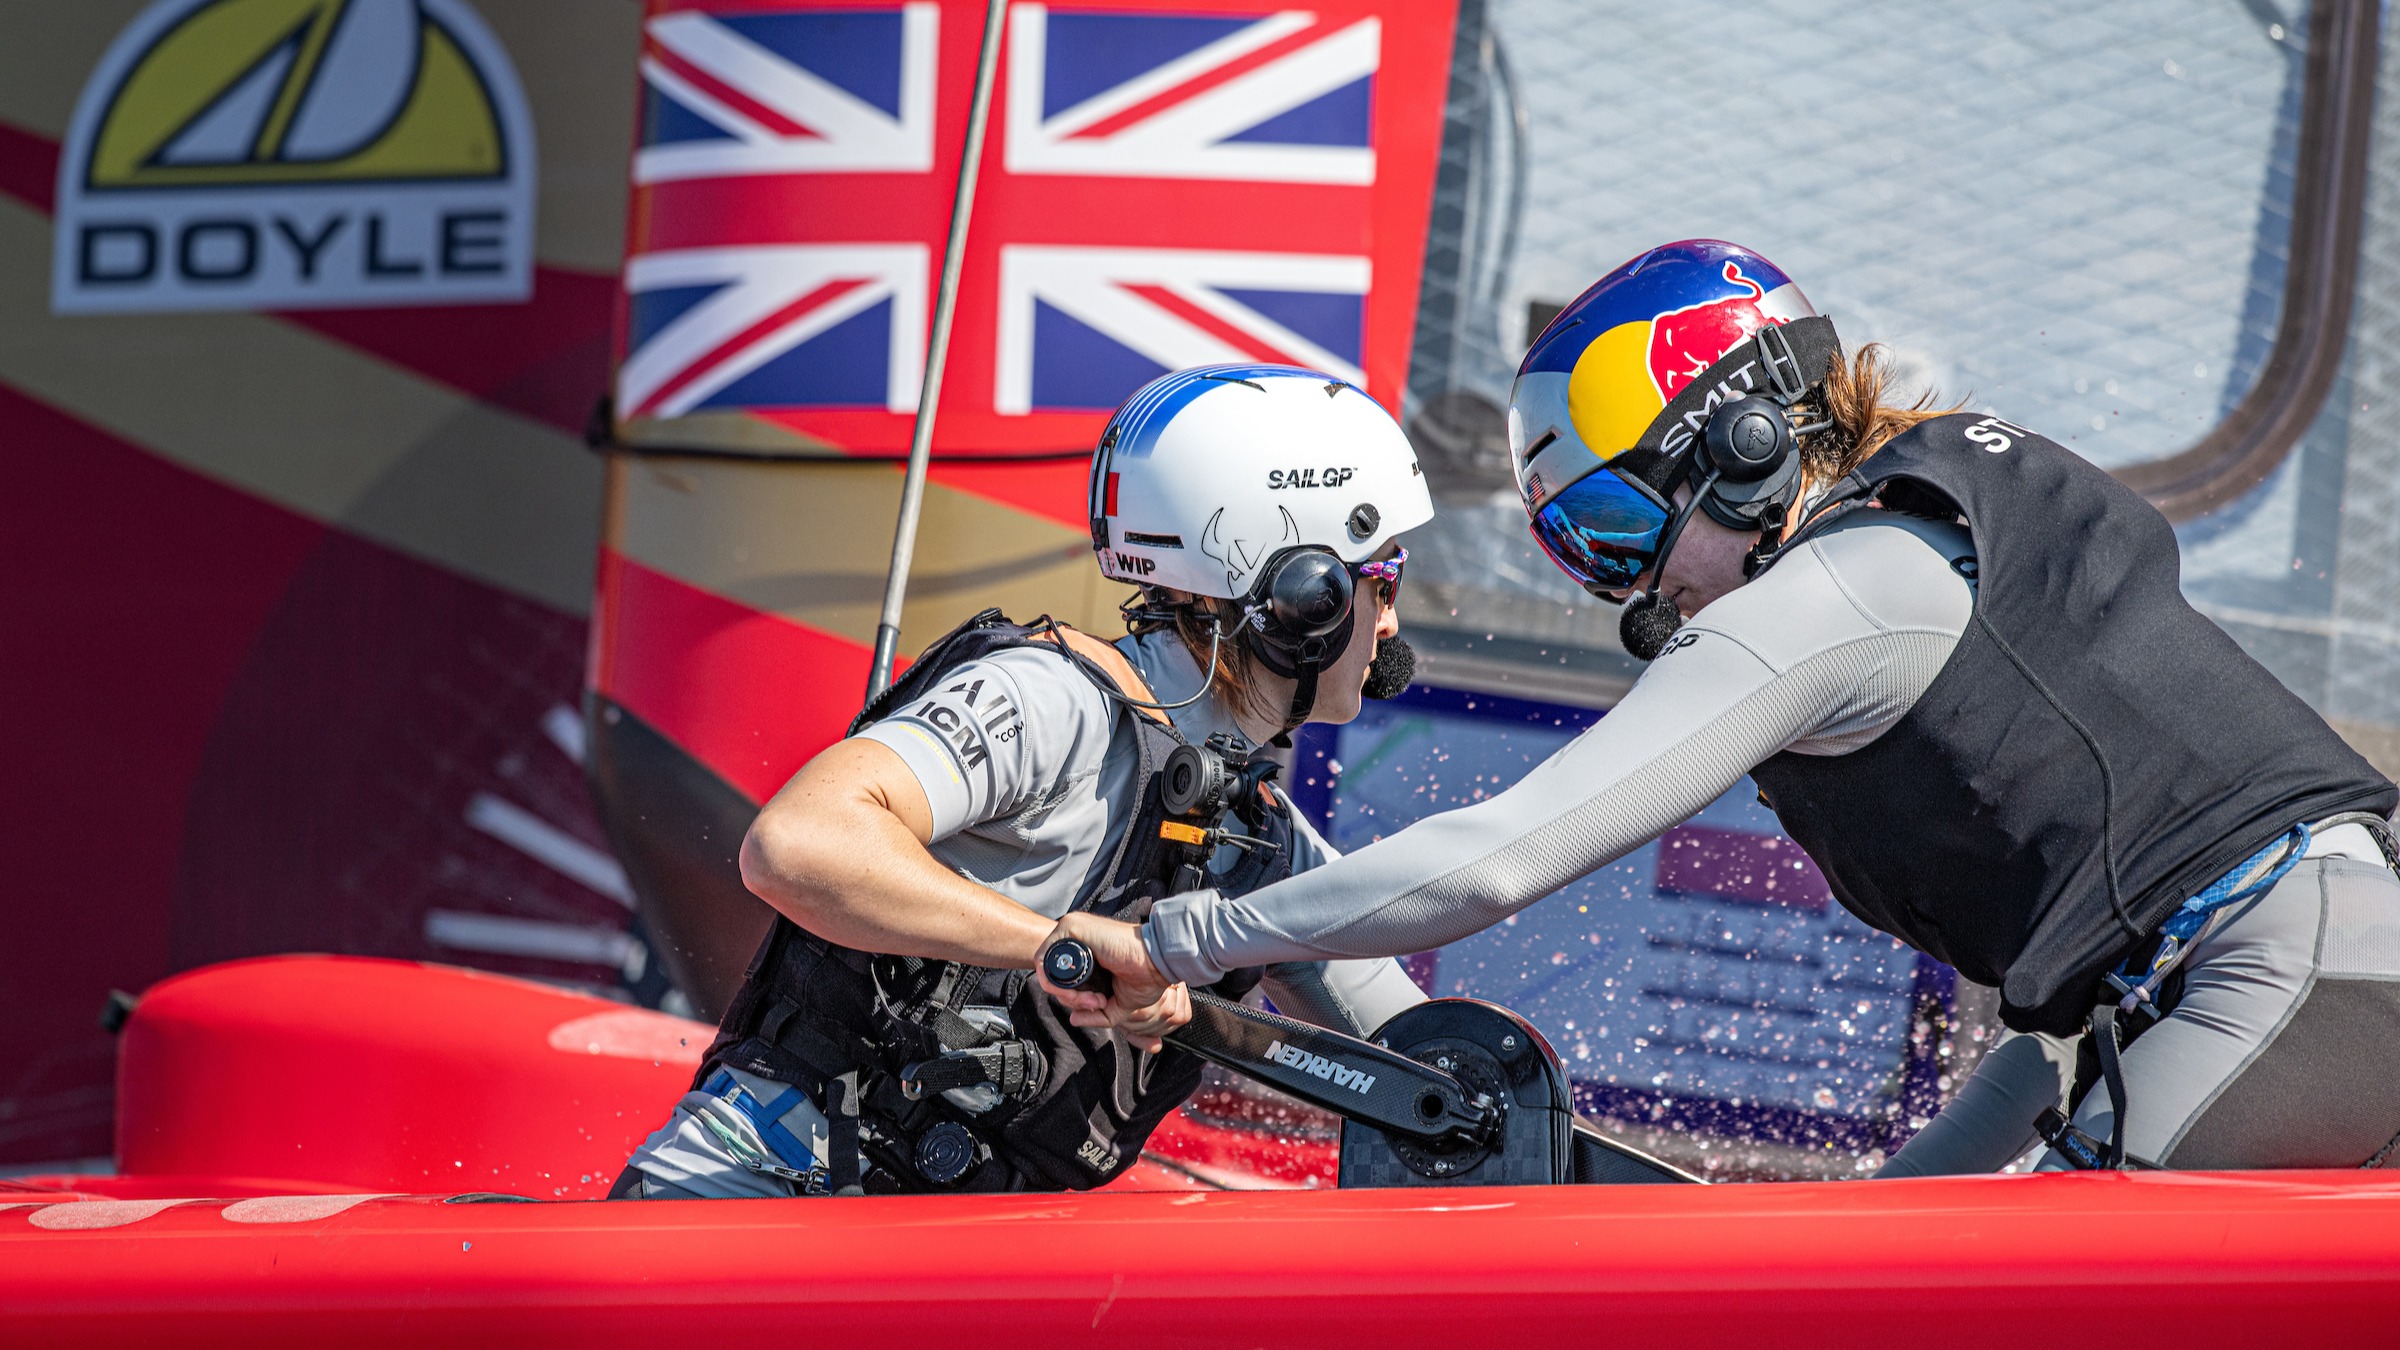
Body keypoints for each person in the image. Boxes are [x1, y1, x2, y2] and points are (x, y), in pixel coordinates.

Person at [1046, 240, 2400, 1174]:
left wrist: (1181, 935)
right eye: (1582, 553)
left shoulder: (1841, 593)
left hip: (2288, 974)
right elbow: (2069, 1021)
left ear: (1743, 448)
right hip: (2298, 974)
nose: (1636, 594)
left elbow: (1497, 856)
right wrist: (1873, 1234)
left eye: (1621, 524)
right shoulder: (1920, 546)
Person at [612, 364, 1434, 1198]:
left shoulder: (1259, 837)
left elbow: (1418, 1048)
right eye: (1384, 580)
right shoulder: (1050, 700)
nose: (1392, 621)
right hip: (746, 1208)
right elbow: (795, 844)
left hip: (926, 1267)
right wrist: (1065, 950)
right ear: (1303, 596)